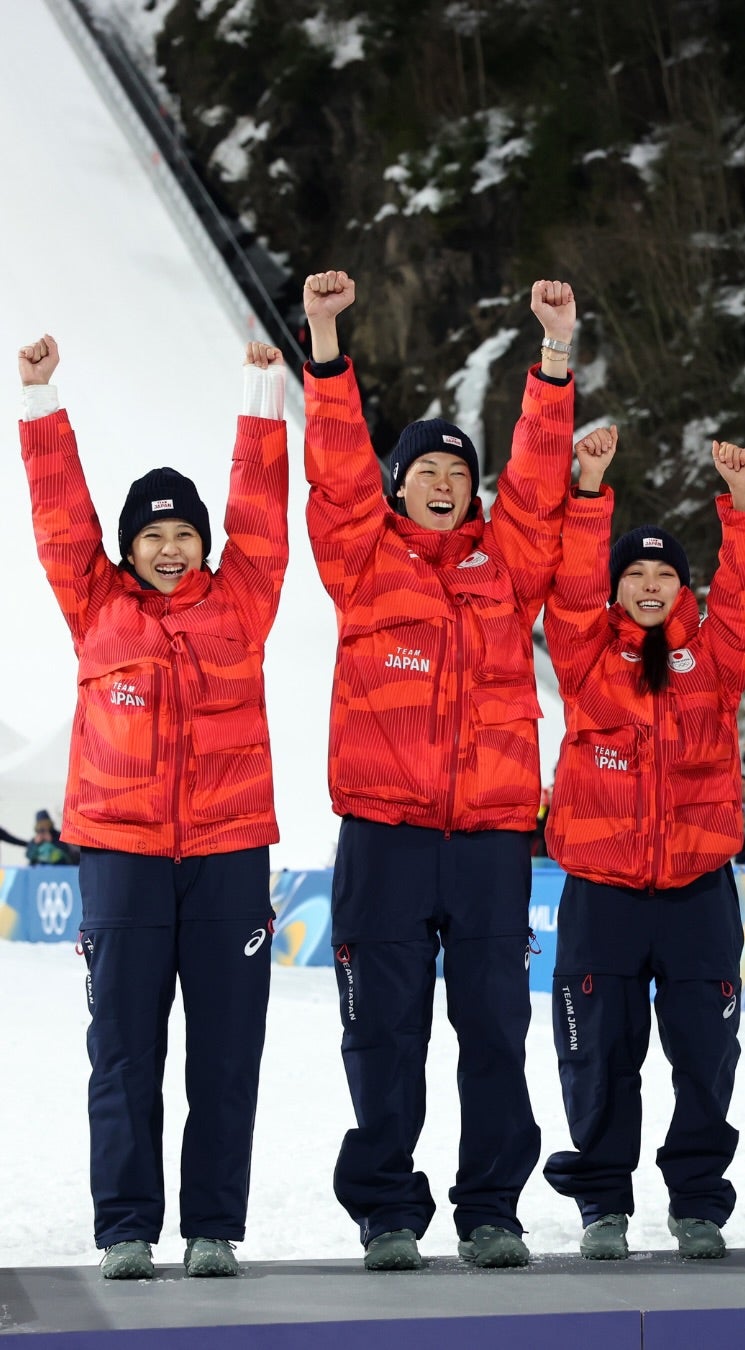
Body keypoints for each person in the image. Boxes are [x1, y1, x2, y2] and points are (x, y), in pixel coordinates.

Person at [302, 270, 576, 1271]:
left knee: (496, 1032)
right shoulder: (360, 558)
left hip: (493, 839)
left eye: (459, 471)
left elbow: (542, 482)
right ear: (400, 482)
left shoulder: (508, 567)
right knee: (384, 1034)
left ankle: (493, 1208)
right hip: (385, 834)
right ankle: (384, 1208)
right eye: (427, 470)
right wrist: (327, 343)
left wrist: (553, 357)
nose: (445, 481)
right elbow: (333, 471)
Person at [19, 333, 289, 1281]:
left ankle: (213, 1225)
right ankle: (127, 1228)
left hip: (226, 855)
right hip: (122, 856)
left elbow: (263, 512)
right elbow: (60, 518)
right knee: (125, 1054)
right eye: (153, 536)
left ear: (204, 545)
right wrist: (41, 401)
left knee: (225, 1054)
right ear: (129, 547)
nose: (171, 551)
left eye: (184, 536)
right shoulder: (97, 606)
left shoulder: (243, 603)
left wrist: (263, 389)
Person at [541, 426, 745, 1260]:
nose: (647, 585)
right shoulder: (580, 655)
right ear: (617, 587)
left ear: (683, 588)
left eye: (663, 574)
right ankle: (603, 1202)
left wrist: (744, 510)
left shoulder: (716, 660)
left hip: (697, 893)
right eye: (634, 574)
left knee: (706, 1056)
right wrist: (592, 486)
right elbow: (568, 586)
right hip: (601, 893)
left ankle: (698, 1202)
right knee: (599, 1054)